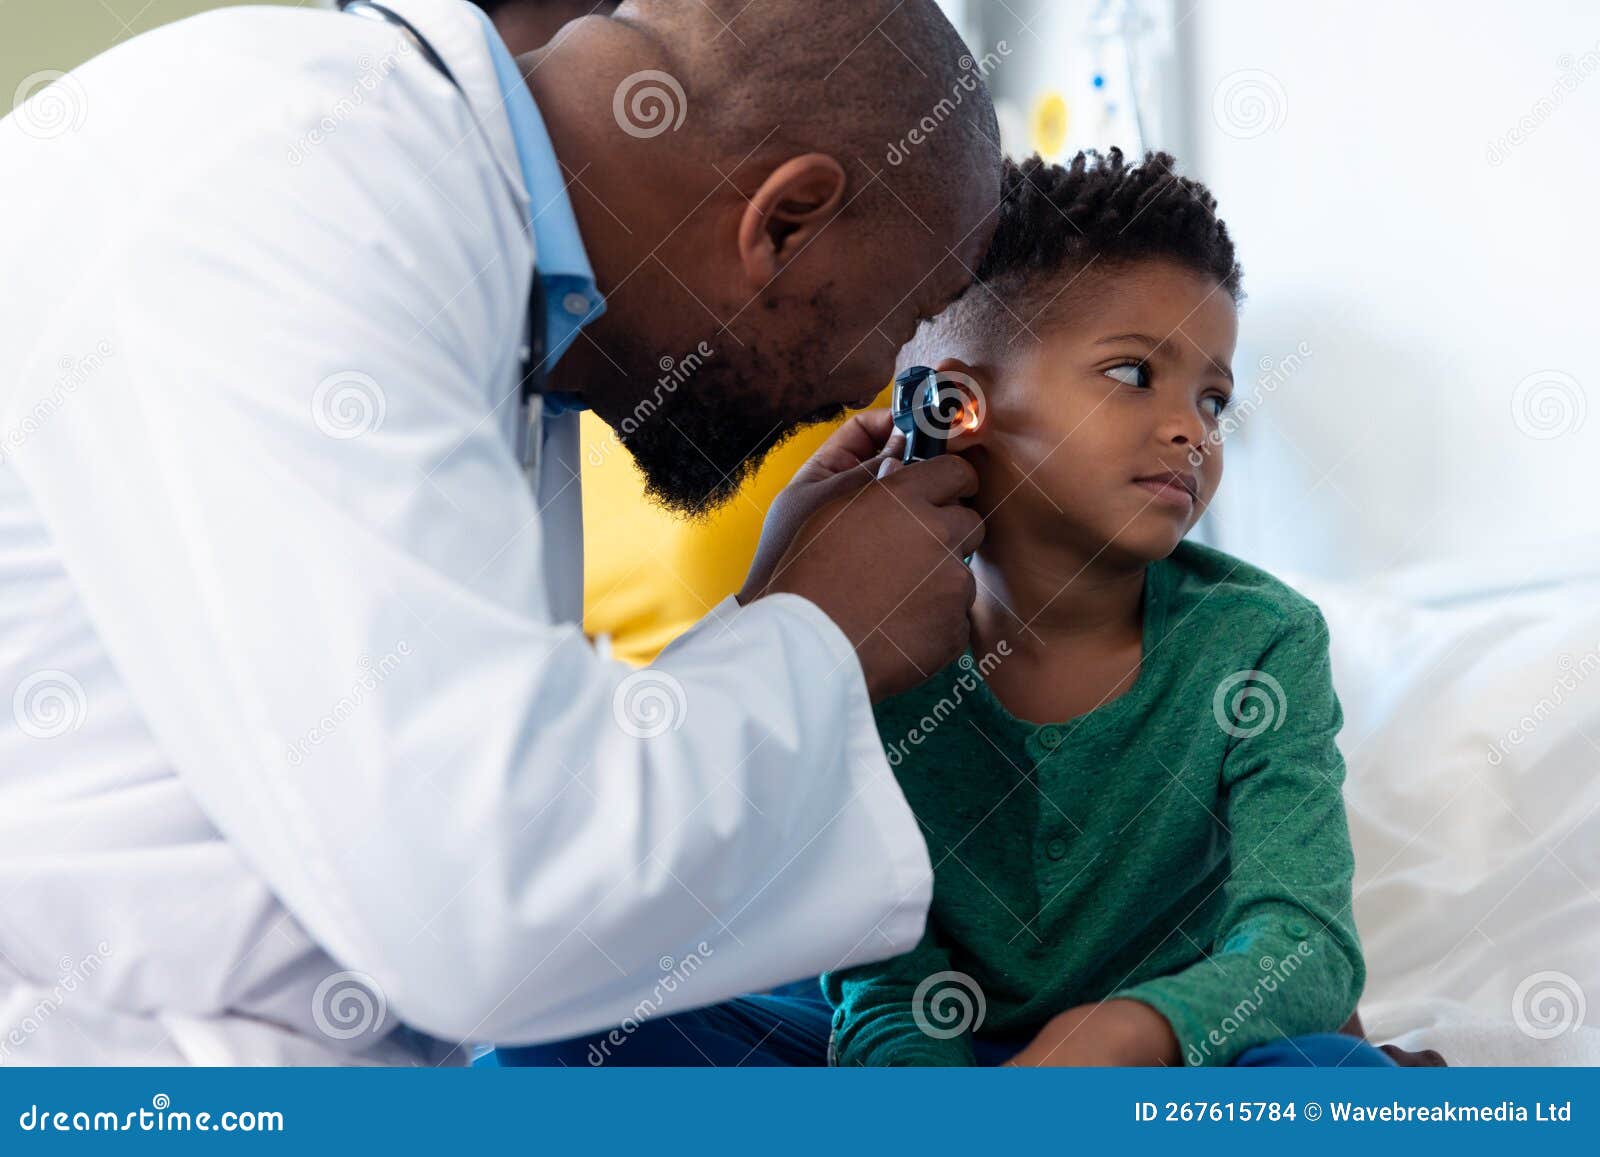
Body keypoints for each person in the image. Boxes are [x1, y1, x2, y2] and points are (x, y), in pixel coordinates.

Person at [0, 0, 999, 1064]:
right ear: (785, 220)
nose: (862, 385)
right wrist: (820, 638)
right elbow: (471, 899)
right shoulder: (304, 176)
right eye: (897, 321)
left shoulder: (463, 254)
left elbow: (440, 787)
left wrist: (775, 621)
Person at [497, 150, 1393, 1067]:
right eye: (1133, 375)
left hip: (1160, 1056)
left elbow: (1306, 943)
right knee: (560, 1028)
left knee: (1338, 1073)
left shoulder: (1262, 640)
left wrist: (1135, 1030)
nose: (1190, 430)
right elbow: (884, 991)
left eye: (1214, 399)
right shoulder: (870, 651)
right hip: (935, 1066)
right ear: (952, 404)